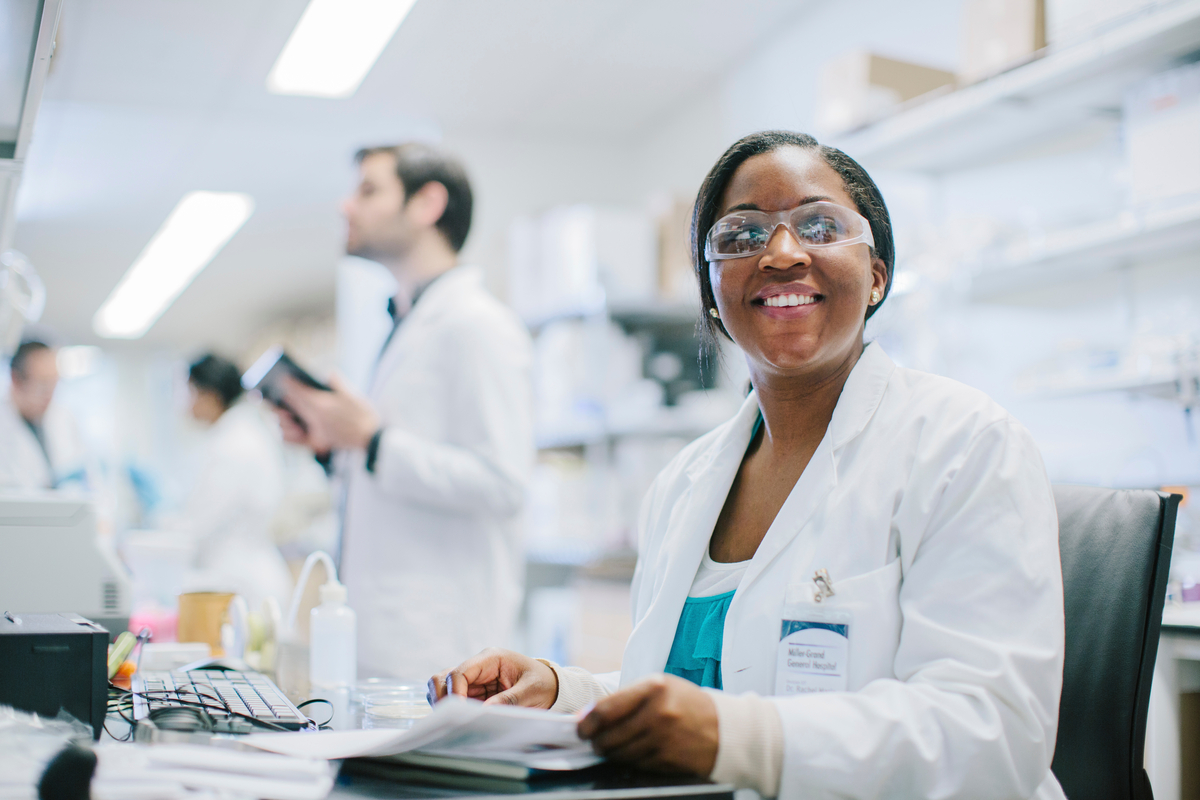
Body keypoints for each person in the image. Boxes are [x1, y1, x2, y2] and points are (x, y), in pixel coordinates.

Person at [432, 131, 1066, 800]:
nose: (783, 253)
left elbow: (992, 732)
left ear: (877, 275)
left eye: (820, 226)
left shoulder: (965, 446)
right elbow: (710, 691)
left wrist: (744, 741)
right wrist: (567, 693)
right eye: (740, 237)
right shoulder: (682, 484)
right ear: (712, 291)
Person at [278, 143, 534, 680]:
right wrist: (335, 445)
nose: (345, 207)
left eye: (368, 190)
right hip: (384, 639)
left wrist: (371, 441)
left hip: (441, 649)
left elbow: (503, 483)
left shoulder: (476, 324)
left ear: (427, 204)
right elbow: (398, 472)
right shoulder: (406, 322)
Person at [178, 353, 292, 609]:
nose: (187, 404)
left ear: (210, 395)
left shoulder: (233, 445)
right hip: (243, 576)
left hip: (241, 582)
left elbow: (199, 523)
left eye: (191, 393)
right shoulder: (240, 435)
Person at [0, 339, 89, 491]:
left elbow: (89, 479)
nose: (49, 396)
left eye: (54, 384)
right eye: (42, 386)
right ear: (16, 380)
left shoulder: (64, 419)